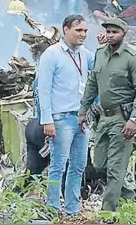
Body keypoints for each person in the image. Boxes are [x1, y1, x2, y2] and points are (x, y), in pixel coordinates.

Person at [78, 17, 136, 211]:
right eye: (108, 32)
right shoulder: (100, 53)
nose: (110, 35)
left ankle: (108, 213)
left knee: (115, 169)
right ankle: (129, 198)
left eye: (114, 32)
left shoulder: (131, 58)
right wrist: (83, 111)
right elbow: (92, 83)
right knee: (100, 164)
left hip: (123, 119)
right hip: (103, 118)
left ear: (123, 34)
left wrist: (134, 119)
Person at [38, 14, 94, 216]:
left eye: (85, 31)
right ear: (66, 29)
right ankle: (52, 208)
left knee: (78, 166)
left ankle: (73, 208)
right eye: (78, 30)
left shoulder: (86, 54)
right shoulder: (51, 54)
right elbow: (42, 89)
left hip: (82, 119)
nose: (83, 34)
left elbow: (100, 70)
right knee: (58, 166)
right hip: (60, 118)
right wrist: (47, 120)